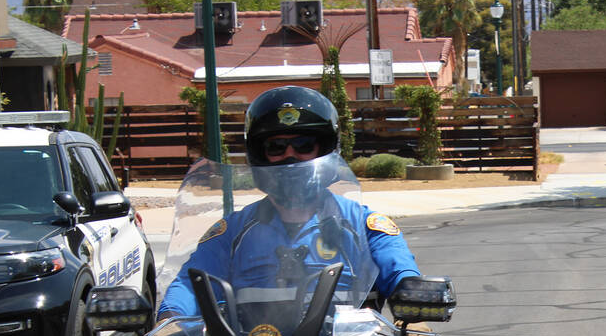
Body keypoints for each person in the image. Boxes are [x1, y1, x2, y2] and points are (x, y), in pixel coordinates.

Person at [158, 86, 420, 319]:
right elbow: (191, 283)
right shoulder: (232, 232)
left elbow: (400, 270)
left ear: (325, 150)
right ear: (261, 155)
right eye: (277, 146)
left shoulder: (364, 226)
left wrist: (413, 295)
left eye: (304, 145)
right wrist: (170, 318)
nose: (290, 156)